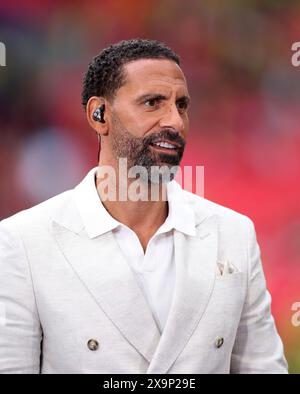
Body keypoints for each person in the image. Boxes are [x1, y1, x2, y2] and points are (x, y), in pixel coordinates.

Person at [0, 39, 288, 374]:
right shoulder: (22, 241)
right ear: (99, 115)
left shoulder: (233, 233)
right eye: (153, 103)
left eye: (181, 105)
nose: (175, 122)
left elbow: (263, 367)